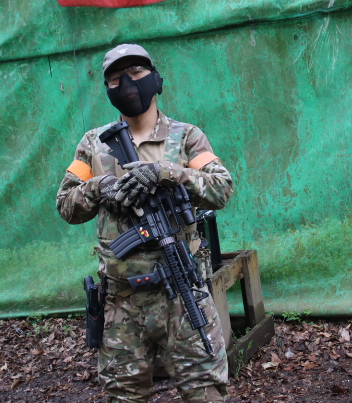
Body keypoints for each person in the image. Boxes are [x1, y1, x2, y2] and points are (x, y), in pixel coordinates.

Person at [56, 44, 233, 403]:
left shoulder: (186, 136)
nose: (127, 83)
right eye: (115, 78)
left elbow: (221, 188)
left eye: (136, 72)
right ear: (107, 89)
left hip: (182, 298)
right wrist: (99, 187)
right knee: (123, 396)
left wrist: (167, 173)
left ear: (155, 78)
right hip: (121, 304)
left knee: (205, 393)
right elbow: (66, 205)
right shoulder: (93, 144)